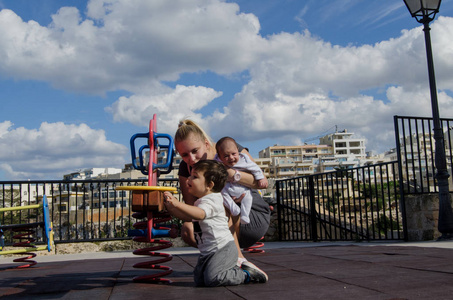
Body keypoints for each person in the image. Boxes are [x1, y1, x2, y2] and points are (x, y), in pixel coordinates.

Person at [174, 119, 270, 269]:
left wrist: (231, 174)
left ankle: (238, 260)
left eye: (194, 151)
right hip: (220, 222)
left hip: (251, 215)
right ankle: (218, 260)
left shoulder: (226, 150)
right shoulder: (186, 169)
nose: (191, 159)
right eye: (184, 155)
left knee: (220, 203)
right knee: (188, 229)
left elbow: (260, 181)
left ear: (206, 144)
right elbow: (191, 210)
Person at [163, 160, 267, 286]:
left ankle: (246, 274)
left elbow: (200, 214)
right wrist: (171, 208)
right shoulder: (201, 202)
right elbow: (187, 216)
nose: (188, 179)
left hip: (223, 248)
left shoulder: (213, 199)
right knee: (200, 280)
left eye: (194, 177)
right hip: (208, 251)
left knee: (214, 278)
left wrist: (177, 203)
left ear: (209, 185)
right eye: (190, 176)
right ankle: (229, 270)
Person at [215, 136, 268, 225]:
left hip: (243, 188)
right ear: (220, 157)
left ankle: (245, 215)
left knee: (248, 196)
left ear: (238, 152)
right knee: (222, 193)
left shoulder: (244, 160)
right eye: (226, 156)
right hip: (228, 188)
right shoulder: (217, 162)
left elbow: (255, 168)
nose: (231, 158)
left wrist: (261, 178)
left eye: (234, 154)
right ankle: (233, 208)